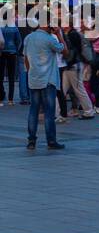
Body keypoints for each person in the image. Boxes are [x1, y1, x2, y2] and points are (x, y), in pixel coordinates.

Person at [23, 20, 65, 151]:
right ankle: (51, 141)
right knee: (49, 111)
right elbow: (64, 51)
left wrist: (30, 72)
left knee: (33, 110)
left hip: (34, 79)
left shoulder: (29, 37)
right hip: (48, 80)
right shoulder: (49, 39)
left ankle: (31, 141)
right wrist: (59, 34)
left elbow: (25, 58)